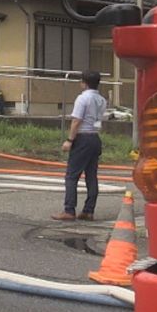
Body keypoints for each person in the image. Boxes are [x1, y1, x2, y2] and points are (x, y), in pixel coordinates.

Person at [52, 70, 106, 221]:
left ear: (84, 82)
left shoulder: (82, 99)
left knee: (71, 176)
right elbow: (98, 120)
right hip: (95, 137)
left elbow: (77, 120)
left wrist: (69, 140)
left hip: (82, 138)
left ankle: (69, 210)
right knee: (91, 176)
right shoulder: (101, 100)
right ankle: (89, 210)